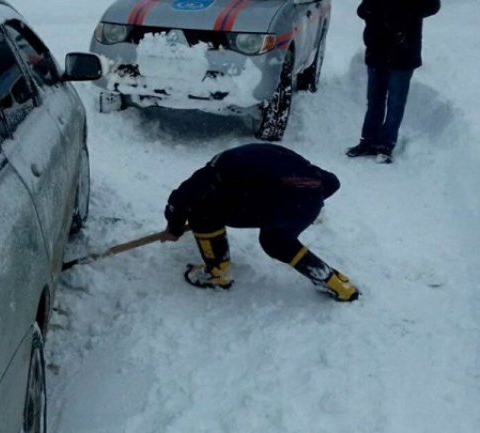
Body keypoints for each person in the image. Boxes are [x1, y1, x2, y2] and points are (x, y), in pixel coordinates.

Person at [161, 143, 359, 302]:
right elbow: (333, 182)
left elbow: (180, 199)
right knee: (276, 242)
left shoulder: (212, 171)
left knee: (200, 213)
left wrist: (174, 229)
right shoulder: (256, 158)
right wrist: (310, 206)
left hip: (281, 200)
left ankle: (217, 274)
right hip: (309, 200)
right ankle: (336, 283)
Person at [346, 0, 440, 163]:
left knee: (396, 102)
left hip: (403, 52)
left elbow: (432, 6)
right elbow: (363, 9)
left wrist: (406, 12)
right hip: (377, 50)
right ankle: (368, 141)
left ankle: (385, 145)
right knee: (374, 100)